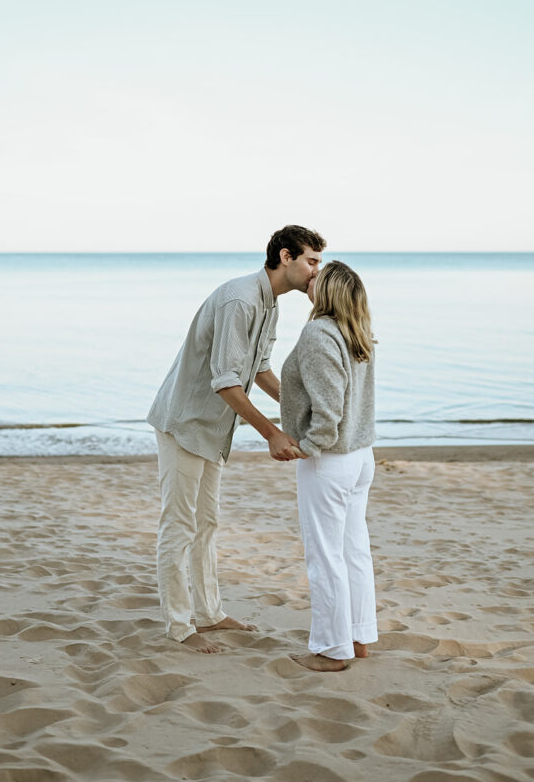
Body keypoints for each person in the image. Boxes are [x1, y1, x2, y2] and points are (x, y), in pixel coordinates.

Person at [147, 225, 327, 653]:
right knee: (179, 526)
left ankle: (208, 615)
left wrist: (298, 411)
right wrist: (272, 434)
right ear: (286, 257)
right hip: (185, 422)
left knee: (207, 524)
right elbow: (226, 382)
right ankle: (179, 626)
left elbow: (260, 369)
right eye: (312, 262)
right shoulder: (240, 300)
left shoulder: (271, 305)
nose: (318, 272)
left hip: (215, 428)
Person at [280, 260, 378, 671]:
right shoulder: (357, 333)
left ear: (330, 290)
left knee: (326, 558)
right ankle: (356, 638)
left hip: (331, 459)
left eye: (319, 274)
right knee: (353, 551)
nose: (310, 276)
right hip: (359, 457)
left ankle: (331, 650)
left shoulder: (319, 333)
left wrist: (307, 447)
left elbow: (329, 408)